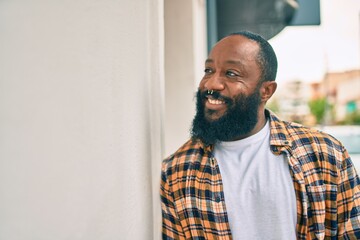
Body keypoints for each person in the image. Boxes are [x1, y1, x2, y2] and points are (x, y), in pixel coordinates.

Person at [160, 31, 360, 239]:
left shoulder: (325, 154)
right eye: (208, 70)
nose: (211, 84)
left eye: (231, 73)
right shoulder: (177, 171)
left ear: (266, 91)